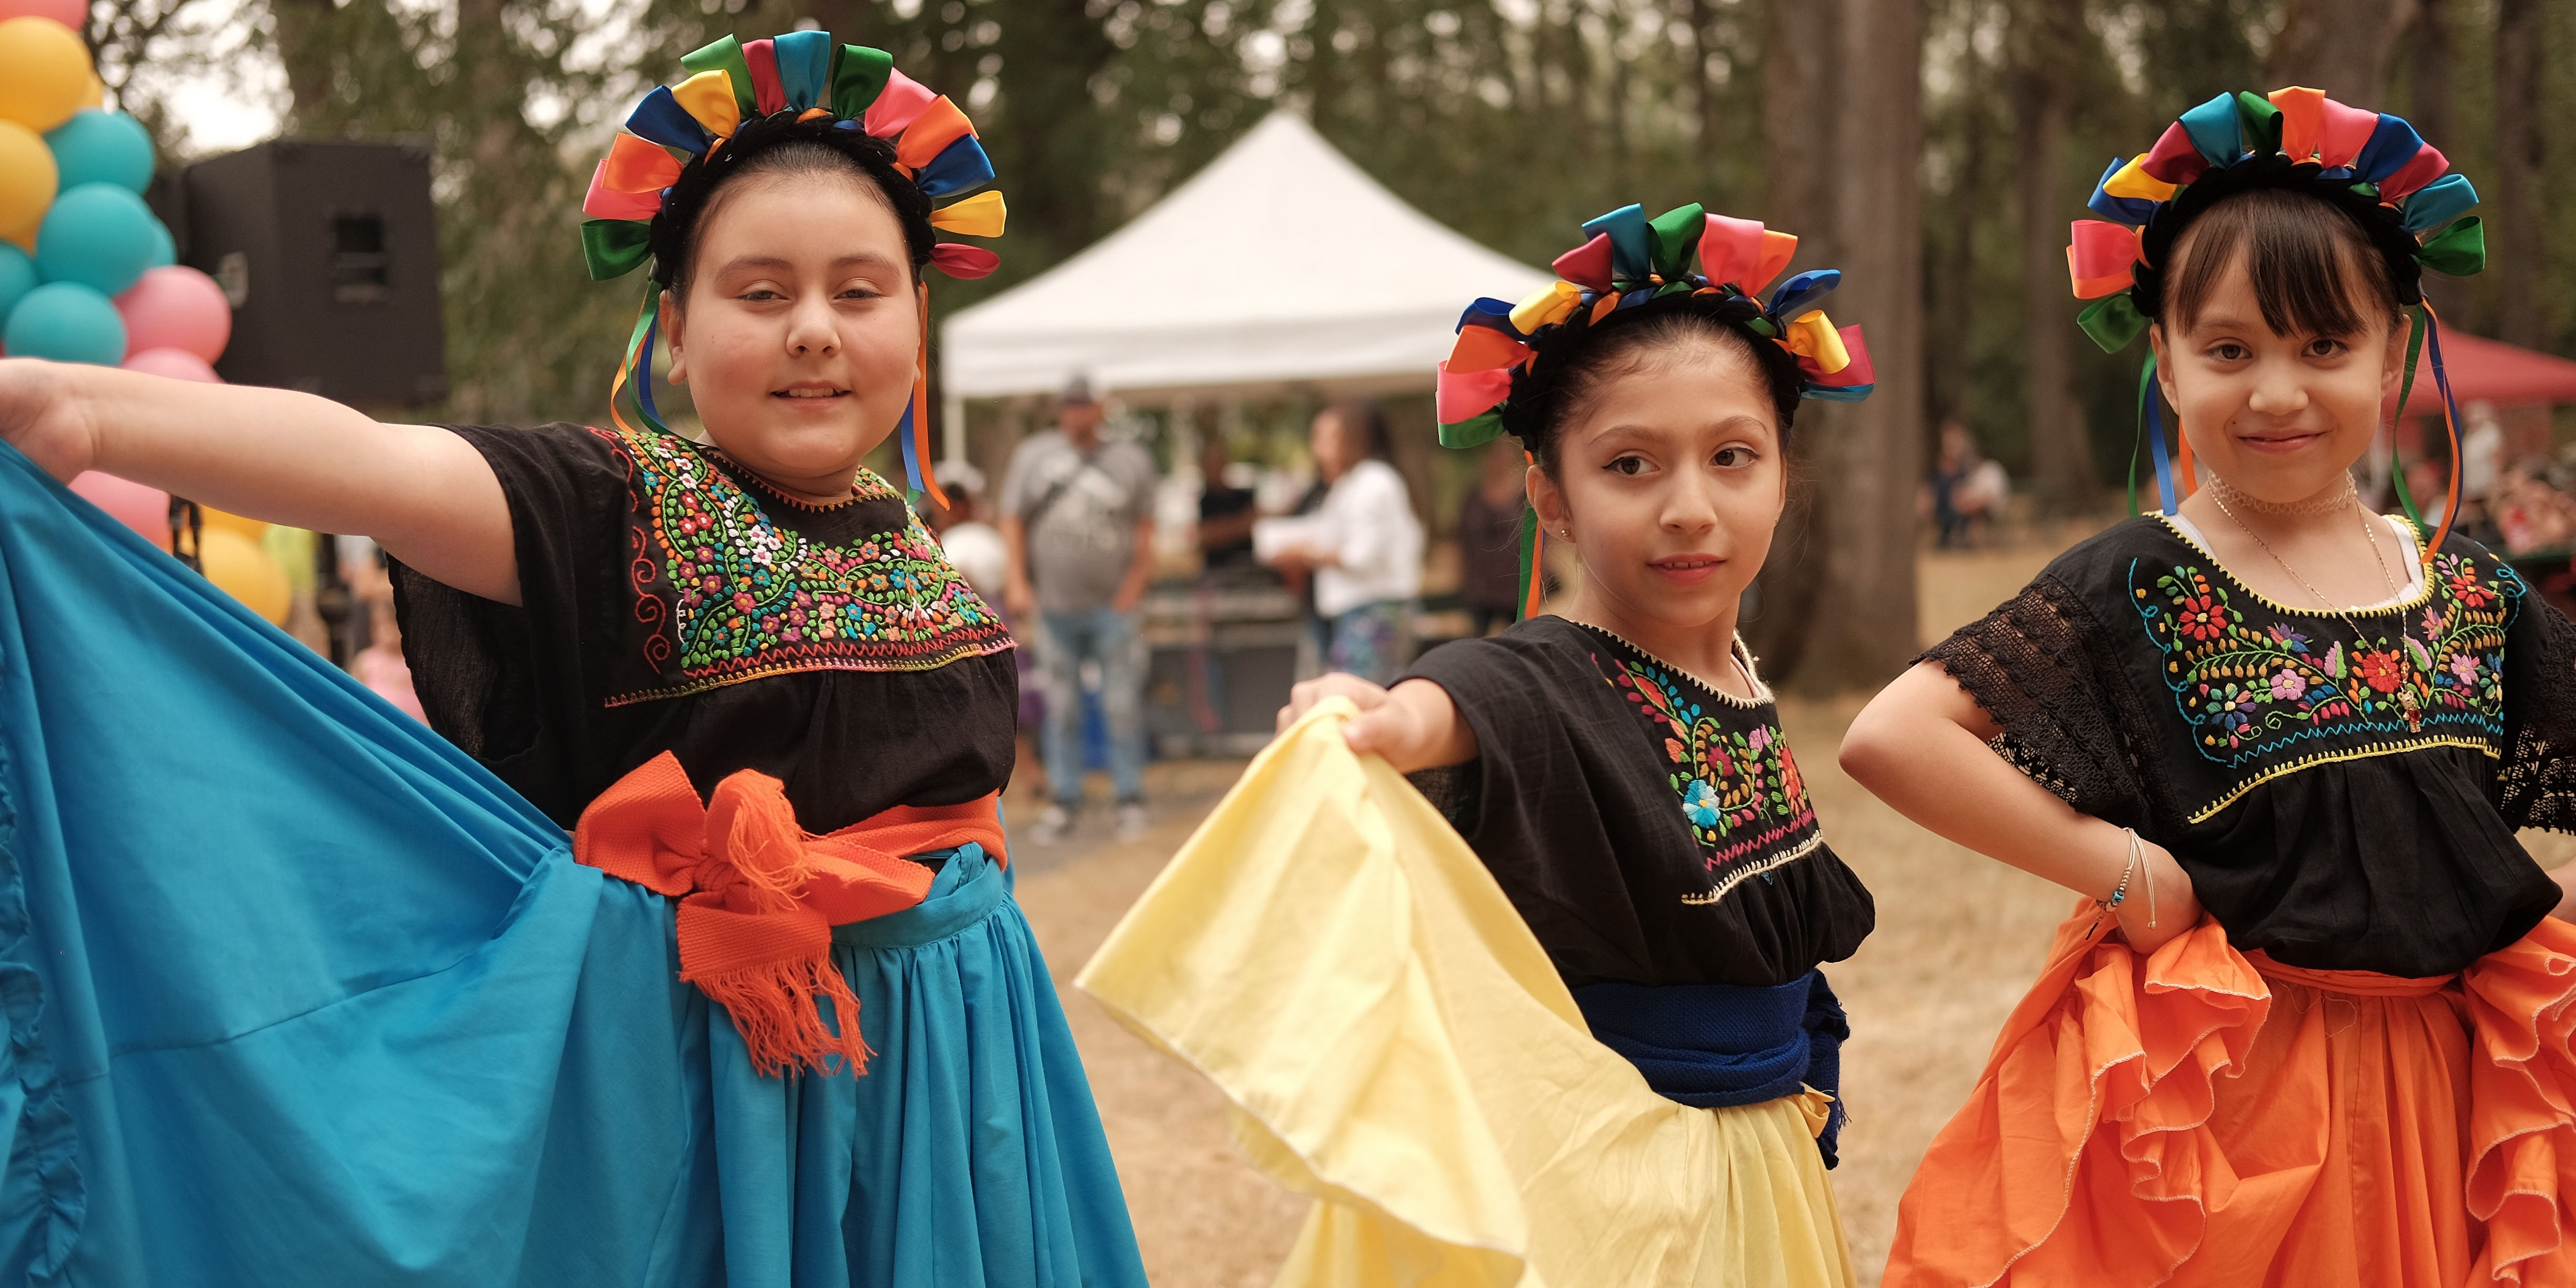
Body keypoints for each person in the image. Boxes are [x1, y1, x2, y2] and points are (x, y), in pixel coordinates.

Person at [0, 31, 1144, 1284]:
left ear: (916, 322)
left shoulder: (912, 541)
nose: (814, 329)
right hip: (745, 1094)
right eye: (760, 293)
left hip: (966, 1065)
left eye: (859, 292)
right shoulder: (615, 503)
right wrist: (84, 410)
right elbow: (380, 461)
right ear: (672, 324)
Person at [1846, 88, 2576, 1287]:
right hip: (2238, 1093)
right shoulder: (2135, 580)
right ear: (2167, 367)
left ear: (2393, 351)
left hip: (2447, 1094)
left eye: (2323, 345)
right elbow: (1894, 735)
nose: (2276, 390)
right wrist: (2125, 869)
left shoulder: (2460, 588)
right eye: (2229, 349)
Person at [1228, 203, 1880, 1281]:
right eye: (1631, 466)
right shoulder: (1552, 675)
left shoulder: (1732, 669)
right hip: (1624, 1195)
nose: (1689, 508)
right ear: (1553, 496)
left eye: (1733, 457)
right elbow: (1480, 697)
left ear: (1781, 474)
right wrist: (1393, 717)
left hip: (1760, 1167)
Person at [999, 378, 1158, 844]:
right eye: (1067, 405)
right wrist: (1018, 580)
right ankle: (1065, 799)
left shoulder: (1131, 460)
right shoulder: (1034, 455)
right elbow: (1013, 518)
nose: (1076, 413)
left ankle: (1129, 796)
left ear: (1101, 409)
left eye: (1084, 404)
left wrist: (1133, 588)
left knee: (1121, 704)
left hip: (1113, 607)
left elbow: (1146, 528)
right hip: (1055, 607)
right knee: (1062, 707)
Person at [1255, 400, 1424, 685]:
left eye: (1328, 437)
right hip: (1359, 613)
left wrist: (1305, 553)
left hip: (1373, 612)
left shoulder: (1373, 482)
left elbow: (1360, 557)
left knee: (1358, 702)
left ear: (1352, 436)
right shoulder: (1351, 484)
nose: (1318, 448)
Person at [1453, 435, 1527, 636]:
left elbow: (1541, 536)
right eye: (1494, 455)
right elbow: (1463, 538)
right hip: (1481, 585)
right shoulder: (1473, 495)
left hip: (1515, 583)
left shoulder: (1525, 493)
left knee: (1519, 637)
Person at [1193, 434, 1260, 573]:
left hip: (1247, 571)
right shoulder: (1203, 501)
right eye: (1209, 463)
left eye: (1216, 462)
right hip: (1217, 573)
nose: (1212, 468)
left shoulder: (1244, 496)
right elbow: (1203, 537)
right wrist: (1239, 526)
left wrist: (1221, 531)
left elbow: (1255, 526)